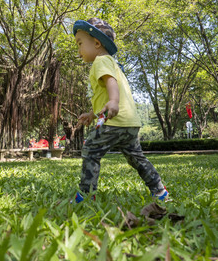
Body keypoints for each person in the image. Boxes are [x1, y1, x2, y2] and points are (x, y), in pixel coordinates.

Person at [72, 17, 168, 203]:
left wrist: (114, 101)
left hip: (113, 121)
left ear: (97, 43)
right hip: (129, 123)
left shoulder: (101, 61)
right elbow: (105, 96)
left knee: (91, 150)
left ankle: (85, 195)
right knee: (136, 158)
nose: (78, 50)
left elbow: (110, 83)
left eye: (80, 43)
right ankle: (159, 190)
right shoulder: (113, 63)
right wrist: (92, 115)